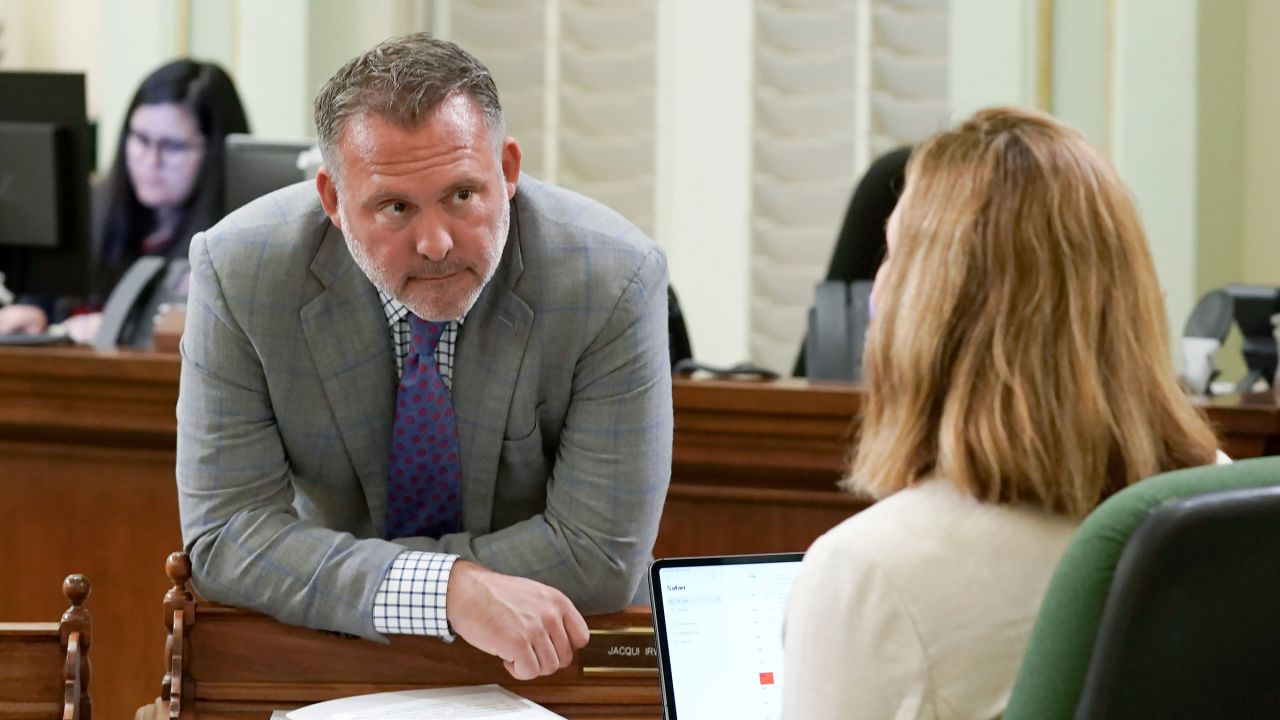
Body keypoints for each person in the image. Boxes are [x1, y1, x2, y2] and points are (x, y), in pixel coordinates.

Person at [175, 33, 672, 680]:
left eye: (463, 195)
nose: (436, 243)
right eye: (395, 207)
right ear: (331, 200)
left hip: (561, 665)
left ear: (509, 170)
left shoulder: (612, 278)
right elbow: (227, 538)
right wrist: (444, 590)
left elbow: (600, 559)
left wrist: (349, 571)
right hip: (331, 659)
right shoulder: (241, 270)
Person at [781, 107, 1222, 719]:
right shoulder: (1224, 507)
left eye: (893, 255)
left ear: (925, 306)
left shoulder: (870, 571)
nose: (876, 287)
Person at [0, 59, 249, 341]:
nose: (151, 160)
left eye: (173, 146)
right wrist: (34, 316)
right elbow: (41, 305)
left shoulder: (236, 242)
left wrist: (121, 330)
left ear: (215, 152)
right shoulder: (88, 213)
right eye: (141, 139)